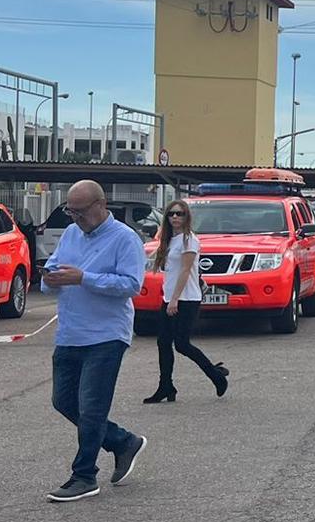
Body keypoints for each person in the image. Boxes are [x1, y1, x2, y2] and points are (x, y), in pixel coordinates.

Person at [42, 179, 147, 502]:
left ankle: (84, 475)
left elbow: (131, 284)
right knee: (63, 401)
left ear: (101, 205)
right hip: (71, 332)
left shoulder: (125, 239)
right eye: (70, 211)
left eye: (81, 211)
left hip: (106, 335)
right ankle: (122, 440)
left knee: (91, 408)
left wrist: (83, 278)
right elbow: (55, 268)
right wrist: (51, 277)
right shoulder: (72, 234)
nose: (75, 218)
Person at [141, 200, 228, 403]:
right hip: (169, 297)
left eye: (179, 214)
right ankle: (166, 386)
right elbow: (156, 263)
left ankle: (216, 376)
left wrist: (175, 300)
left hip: (186, 299)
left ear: (186, 216)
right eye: (171, 214)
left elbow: (186, 270)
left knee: (181, 344)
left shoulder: (190, 240)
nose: (175, 218)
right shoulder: (169, 240)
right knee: (163, 342)